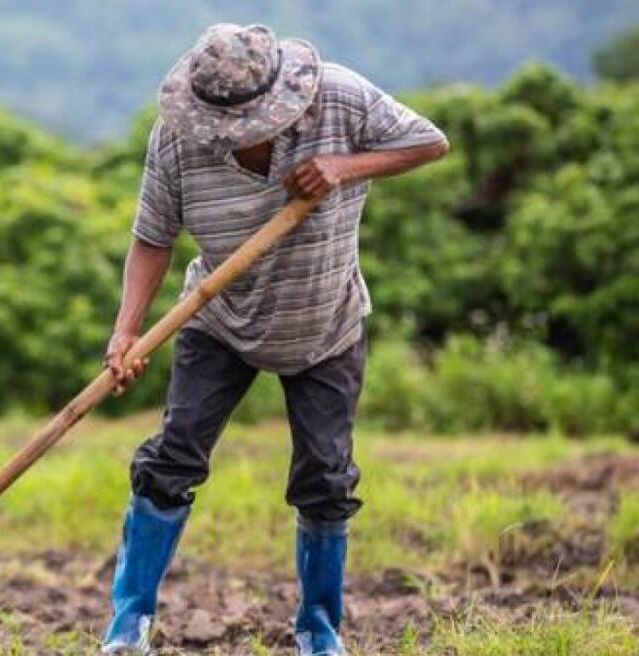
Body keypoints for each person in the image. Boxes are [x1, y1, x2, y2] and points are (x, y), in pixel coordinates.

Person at [100, 23, 449, 656]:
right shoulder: (179, 138)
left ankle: (319, 629)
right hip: (219, 321)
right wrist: (127, 331)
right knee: (171, 460)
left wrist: (345, 166)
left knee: (326, 478)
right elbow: (152, 235)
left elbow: (430, 143)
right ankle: (129, 625)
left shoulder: (340, 98)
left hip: (325, 324)